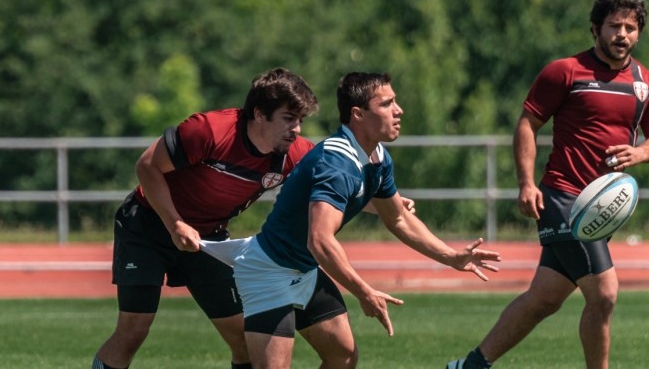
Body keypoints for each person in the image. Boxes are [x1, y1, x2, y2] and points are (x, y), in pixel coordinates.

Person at [447, 0, 649, 369]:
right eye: (614, 26)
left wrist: (641, 152)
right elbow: (527, 125)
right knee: (604, 294)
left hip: (601, 206)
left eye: (630, 28)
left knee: (544, 298)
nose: (622, 34)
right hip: (563, 197)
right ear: (595, 29)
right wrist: (526, 183)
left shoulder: (645, 82)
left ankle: (469, 366)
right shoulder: (565, 71)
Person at [227, 72, 502, 368]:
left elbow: (398, 218)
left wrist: (452, 257)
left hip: (303, 270)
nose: (399, 110)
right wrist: (364, 291)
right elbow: (320, 240)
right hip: (269, 271)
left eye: (395, 102)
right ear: (358, 114)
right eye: (387, 104)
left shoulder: (378, 158)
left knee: (343, 357)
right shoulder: (337, 163)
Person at [92, 68, 319, 369]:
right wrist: (174, 223)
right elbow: (147, 166)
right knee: (134, 330)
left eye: (300, 120)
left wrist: (389, 202)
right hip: (146, 226)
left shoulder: (295, 154)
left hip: (207, 240)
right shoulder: (209, 131)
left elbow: (334, 187)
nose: (297, 129)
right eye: (289, 119)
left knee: (242, 338)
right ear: (260, 114)